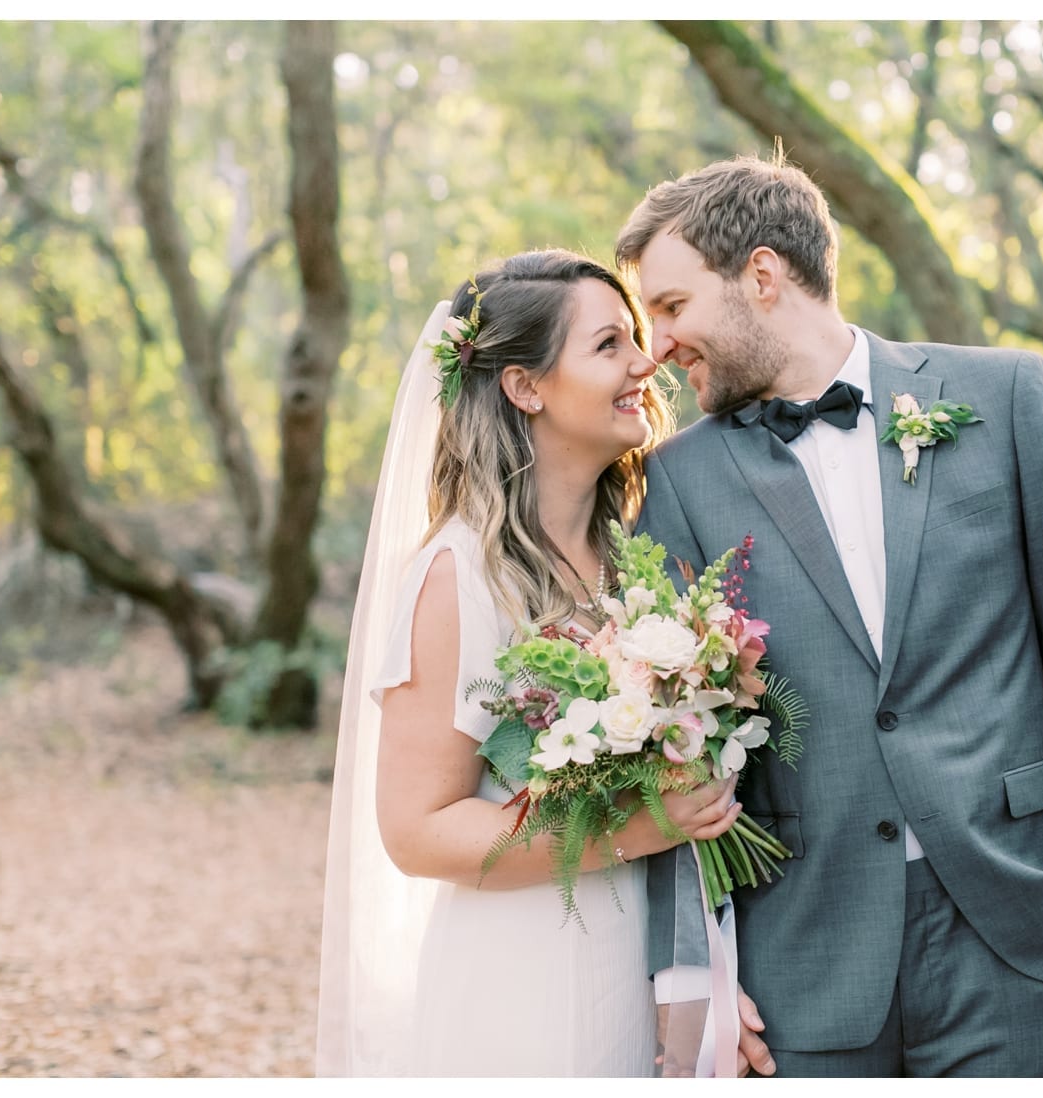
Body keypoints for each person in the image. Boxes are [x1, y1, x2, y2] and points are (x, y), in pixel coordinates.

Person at [615, 155, 1043, 1077]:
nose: (657, 346)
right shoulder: (678, 479)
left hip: (1022, 933)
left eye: (670, 306)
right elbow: (669, 739)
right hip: (803, 952)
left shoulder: (1005, 398)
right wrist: (694, 973)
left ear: (761, 274)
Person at [315, 249, 741, 1077]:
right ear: (525, 387)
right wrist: (639, 828)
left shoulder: (642, 557)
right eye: (610, 344)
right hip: (525, 975)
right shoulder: (459, 575)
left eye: (639, 339)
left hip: (648, 960)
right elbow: (418, 829)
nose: (646, 363)